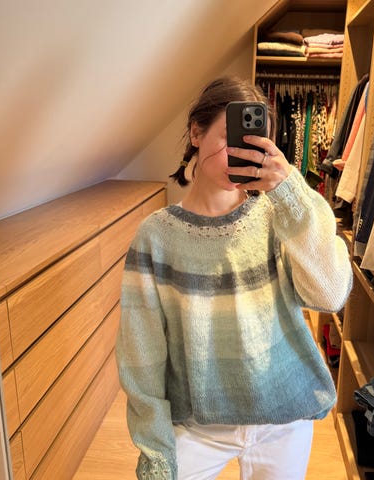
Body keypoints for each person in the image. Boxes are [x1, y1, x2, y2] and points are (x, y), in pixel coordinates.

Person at [116, 76, 352, 480]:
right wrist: (155, 450)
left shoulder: (280, 216)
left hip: (282, 419)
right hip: (199, 423)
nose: (242, 152)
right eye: (232, 139)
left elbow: (330, 294)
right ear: (196, 133)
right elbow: (141, 354)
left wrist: (291, 192)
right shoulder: (155, 237)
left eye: (255, 143)